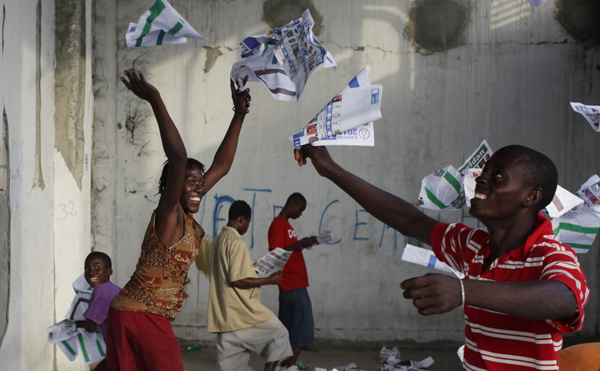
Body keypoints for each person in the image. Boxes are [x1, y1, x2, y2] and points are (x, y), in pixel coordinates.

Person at [294, 144, 589, 371]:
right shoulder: (474, 246)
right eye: (484, 172)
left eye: (497, 176)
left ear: (531, 196)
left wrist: (463, 291)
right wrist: (331, 169)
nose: (481, 179)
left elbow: (564, 297)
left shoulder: (551, 253)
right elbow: (409, 220)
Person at [107, 69, 251, 371]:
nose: (199, 187)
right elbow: (179, 159)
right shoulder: (168, 213)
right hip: (143, 316)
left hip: (129, 313)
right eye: (191, 183)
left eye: (201, 182)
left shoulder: (186, 210)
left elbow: (222, 165)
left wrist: (239, 114)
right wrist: (156, 100)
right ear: (174, 186)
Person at [207, 200, 293, 371]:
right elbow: (236, 280)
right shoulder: (237, 242)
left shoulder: (216, 242)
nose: (247, 227)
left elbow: (227, 272)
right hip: (243, 313)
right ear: (241, 219)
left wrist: (252, 268)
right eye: (248, 222)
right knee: (279, 333)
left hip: (225, 316)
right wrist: (270, 280)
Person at [267, 193, 318, 369]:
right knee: (302, 327)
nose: (300, 214)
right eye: (300, 209)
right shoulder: (279, 224)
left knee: (288, 330)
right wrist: (300, 242)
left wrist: (303, 244)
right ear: (292, 204)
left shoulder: (285, 225)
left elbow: (287, 251)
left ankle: (283, 366)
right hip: (292, 282)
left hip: (293, 282)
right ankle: (289, 367)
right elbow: (276, 254)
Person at [76, 251, 121, 371]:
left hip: (118, 351)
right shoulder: (114, 289)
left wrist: (76, 325)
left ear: (109, 272)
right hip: (121, 348)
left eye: (97, 268)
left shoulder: (101, 290)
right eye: (87, 269)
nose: (91, 273)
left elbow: (91, 326)